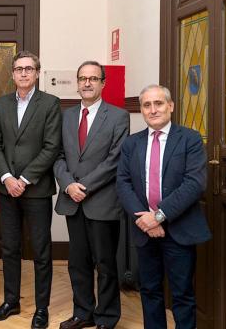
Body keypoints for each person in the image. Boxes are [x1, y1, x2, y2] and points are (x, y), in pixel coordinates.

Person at [117, 84, 210, 329]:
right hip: (144, 231)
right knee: (149, 290)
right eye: (147, 105)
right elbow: (123, 183)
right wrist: (146, 222)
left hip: (179, 229)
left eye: (158, 103)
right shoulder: (131, 143)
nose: (153, 109)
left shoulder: (190, 139)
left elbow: (195, 184)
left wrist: (158, 217)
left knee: (182, 295)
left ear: (170, 106)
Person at [53, 61, 129, 329]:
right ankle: (82, 312)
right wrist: (67, 185)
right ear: (77, 82)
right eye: (83, 78)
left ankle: (107, 317)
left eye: (93, 78)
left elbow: (114, 160)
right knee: (77, 262)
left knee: (106, 265)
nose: (87, 83)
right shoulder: (67, 116)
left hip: (102, 202)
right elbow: (58, 155)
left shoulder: (119, 116)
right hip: (72, 201)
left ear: (103, 83)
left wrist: (82, 186)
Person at [0, 50, 62, 329]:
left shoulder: (50, 103)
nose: (23, 73)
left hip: (36, 189)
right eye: (18, 69)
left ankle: (41, 308)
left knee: (41, 251)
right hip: (8, 189)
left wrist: (25, 178)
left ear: (37, 73)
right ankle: (11, 301)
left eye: (28, 69)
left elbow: (51, 146)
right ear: (12, 74)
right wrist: (7, 177)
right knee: (9, 248)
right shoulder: (3, 103)